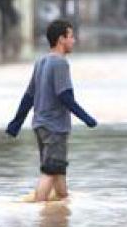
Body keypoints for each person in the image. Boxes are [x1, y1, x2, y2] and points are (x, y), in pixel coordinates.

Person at [5, 19, 97, 202]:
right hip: (55, 129)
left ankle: (60, 210)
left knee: (58, 174)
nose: (74, 40)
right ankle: (39, 210)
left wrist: (16, 123)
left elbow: (29, 97)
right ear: (61, 39)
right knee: (49, 172)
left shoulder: (41, 61)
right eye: (71, 36)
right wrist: (87, 118)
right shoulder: (60, 63)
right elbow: (65, 96)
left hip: (40, 126)